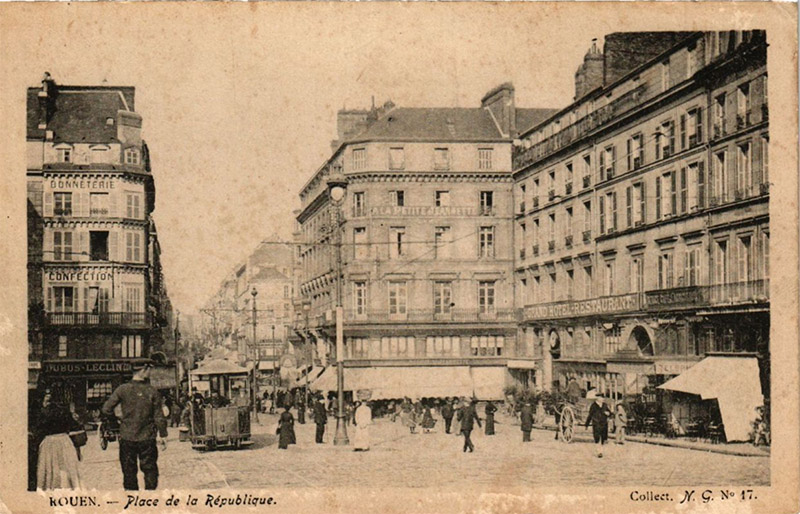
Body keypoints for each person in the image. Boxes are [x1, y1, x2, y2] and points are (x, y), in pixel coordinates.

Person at [101, 362, 168, 490]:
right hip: (147, 437)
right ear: (143, 370)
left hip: (127, 437)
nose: (150, 372)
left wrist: (117, 423)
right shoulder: (152, 391)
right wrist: (163, 435)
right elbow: (159, 416)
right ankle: (150, 497)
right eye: (149, 370)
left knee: (128, 471)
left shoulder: (122, 389)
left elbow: (106, 409)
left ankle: (132, 499)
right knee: (150, 469)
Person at [35, 391, 84, 490]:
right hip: (64, 441)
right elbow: (74, 426)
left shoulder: (43, 412)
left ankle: (51, 487)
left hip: (49, 443)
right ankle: (68, 486)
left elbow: (39, 429)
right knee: (67, 466)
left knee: (50, 467)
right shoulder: (64, 411)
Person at [584, 393, 613, 458]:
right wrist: (587, 424)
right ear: (597, 398)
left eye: (603, 398)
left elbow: (610, 413)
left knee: (603, 438)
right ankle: (598, 452)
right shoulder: (593, 406)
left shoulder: (605, 405)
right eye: (601, 398)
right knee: (597, 438)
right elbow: (590, 415)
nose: (603, 399)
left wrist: (609, 414)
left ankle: (601, 451)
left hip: (604, 424)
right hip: (596, 424)